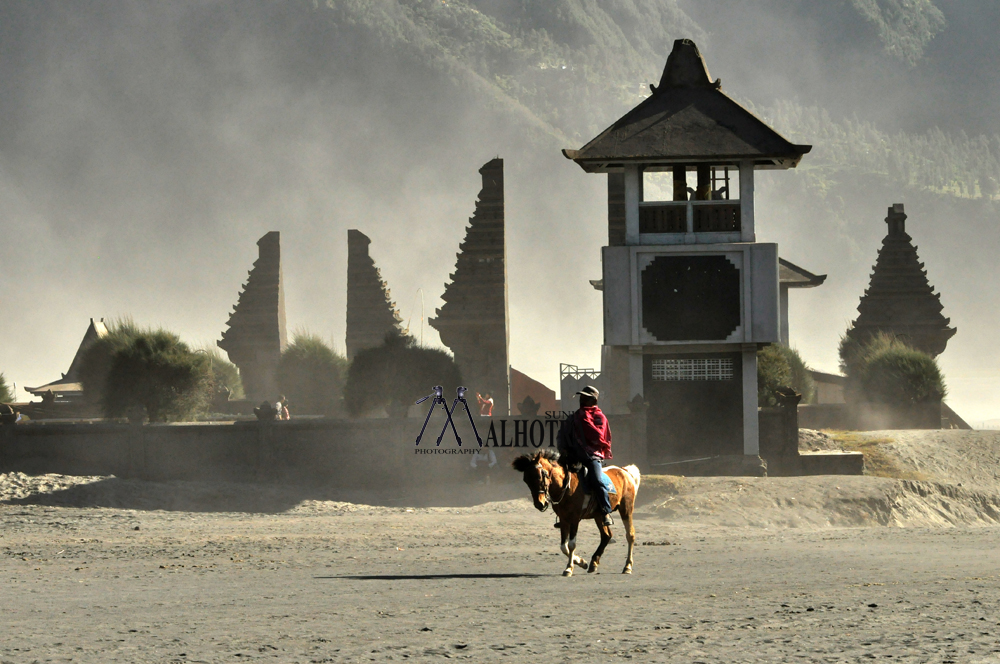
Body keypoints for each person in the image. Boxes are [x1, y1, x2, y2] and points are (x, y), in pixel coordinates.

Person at [557, 385, 614, 527]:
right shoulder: (574, 417)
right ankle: (560, 514)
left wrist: (585, 422)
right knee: (558, 479)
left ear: (593, 400)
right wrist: (563, 448)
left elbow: (599, 436)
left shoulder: (599, 417)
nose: (582, 399)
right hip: (573, 455)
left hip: (592, 455)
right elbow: (562, 434)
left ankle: (605, 511)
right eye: (581, 397)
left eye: (585, 397)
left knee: (596, 480)